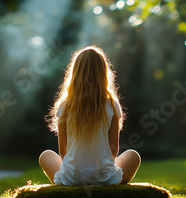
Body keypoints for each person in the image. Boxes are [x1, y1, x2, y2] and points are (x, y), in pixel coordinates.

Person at [39, 46, 140, 186]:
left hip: (71, 179)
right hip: (105, 178)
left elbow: (63, 151)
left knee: (46, 156)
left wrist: (79, 170)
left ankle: (71, 179)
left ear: (74, 73)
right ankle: (108, 180)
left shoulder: (65, 106)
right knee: (133, 156)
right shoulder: (111, 104)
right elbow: (113, 149)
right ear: (103, 73)